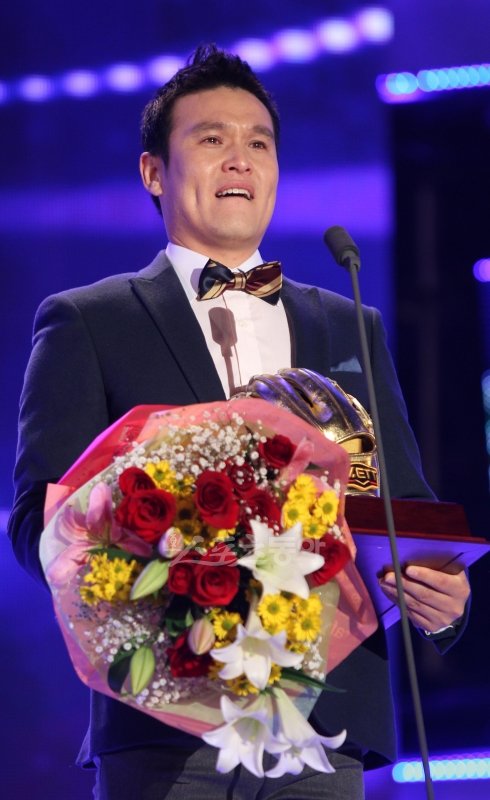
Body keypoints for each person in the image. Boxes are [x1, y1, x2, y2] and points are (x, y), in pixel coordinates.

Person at [8, 44, 470, 799]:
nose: (239, 160)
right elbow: (40, 519)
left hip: (325, 728)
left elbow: (401, 506)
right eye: (211, 139)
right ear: (153, 172)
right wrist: (159, 559)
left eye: (259, 143)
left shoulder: (350, 322)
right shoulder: (88, 322)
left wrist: (439, 598)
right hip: (165, 725)